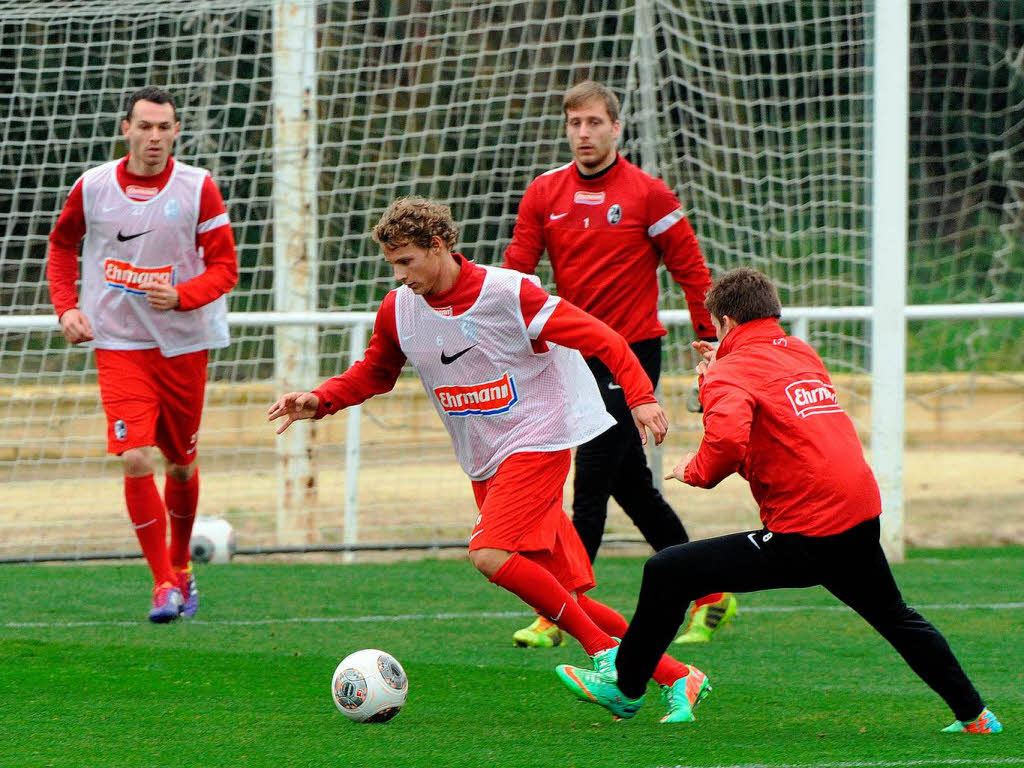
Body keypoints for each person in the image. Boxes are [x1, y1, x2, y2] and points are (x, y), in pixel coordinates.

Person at [269, 196, 711, 723]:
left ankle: (606, 656)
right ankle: (678, 675)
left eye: (407, 261)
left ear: (439, 246)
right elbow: (375, 371)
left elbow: (605, 338)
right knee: (561, 598)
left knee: (489, 553)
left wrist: (639, 394)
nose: (400, 275)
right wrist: (322, 399)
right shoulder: (399, 309)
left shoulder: (508, 293)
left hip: (539, 439)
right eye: (393, 264)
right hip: (486, 457)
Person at [555, 267, 1002, 734]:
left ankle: (625, 690)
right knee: (896, 616)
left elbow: (727, 444)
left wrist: (693, 466)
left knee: (668, 569)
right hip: (858, 511)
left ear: (725, 322)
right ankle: (976, 715)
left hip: (808, 529)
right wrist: (721, 367)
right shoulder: (800, 352)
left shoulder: (731, 372)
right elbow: (775, 413)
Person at [503, 79, 736, 648]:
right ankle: (711, 592)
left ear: (615, 128)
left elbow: (691, 270)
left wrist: (712, 344)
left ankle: (560, 608)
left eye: (594, 123)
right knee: (631, 486)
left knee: (589, 481)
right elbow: (518, 268)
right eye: (575, 124)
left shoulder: (649, 195)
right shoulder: (543, 193)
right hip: (569, 354)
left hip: (629, 353)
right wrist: (507, 331)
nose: (584, 133)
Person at [47, 86, 238, 623]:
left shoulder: (198, 188)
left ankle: (182, 567)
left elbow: (225, 268)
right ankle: (161, 585)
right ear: (125, 128)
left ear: (176, 131)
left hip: (183, 344)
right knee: (135, 455)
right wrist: (66, 308)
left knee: (180, 463)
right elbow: (62, 246)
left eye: (164, 128)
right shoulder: (93, 187)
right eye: (145, 126)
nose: (154, 137)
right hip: (118, 341)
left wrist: (182, 295)